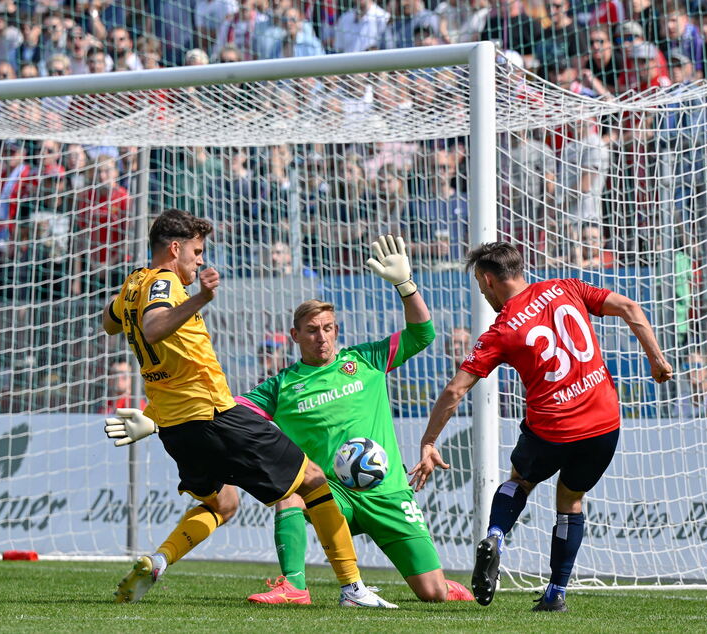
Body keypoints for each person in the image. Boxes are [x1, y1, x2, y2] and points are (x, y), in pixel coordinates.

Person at [102, 209, 394, 608]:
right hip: (213, 413)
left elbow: (111, 323)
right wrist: (201, 298)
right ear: (174, 248)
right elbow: (153, 327)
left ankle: (158, 560)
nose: (200, 260)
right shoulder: (164, 283)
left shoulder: (133, 283)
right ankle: (352, 589)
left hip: (175, 426)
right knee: (312, 479)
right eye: (196, 251)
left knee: (223, 502)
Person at [408, 242, 673, 612]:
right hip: (603, 423)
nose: (484, 295)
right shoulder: (567, 287)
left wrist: (429, 440)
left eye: (482, 288)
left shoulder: (501, 330)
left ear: (488, 279)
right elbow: (629, 307)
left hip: (552, 428)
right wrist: (656, 360)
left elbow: (455, 389)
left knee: (519, 481)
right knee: (571, 501)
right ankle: (555, 593)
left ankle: (497, 535)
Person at [237, 236, 473, 605]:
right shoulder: (281, 386)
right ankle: (294, 587)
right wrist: (159, 419)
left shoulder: (366, 360)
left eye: (328, 328)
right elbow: (228, 411)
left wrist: (405, 285)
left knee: (433, 595)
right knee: (292, 493)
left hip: (389, 493)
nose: (321, 337)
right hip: (335, 493)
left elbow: (423, 333)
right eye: (312, 330)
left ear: (336, 330)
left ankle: (446, 586)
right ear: (295, 336)